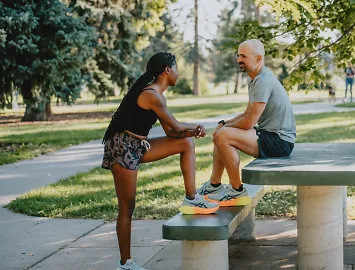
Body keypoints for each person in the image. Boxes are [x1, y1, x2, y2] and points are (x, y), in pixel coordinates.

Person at [101, 52, 219, 270]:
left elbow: (172, 133)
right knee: (127, 206)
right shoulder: (152, 95)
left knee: (186, 144)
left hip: (138, 145)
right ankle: (125, 264)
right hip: (122, 147)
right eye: (176, 68)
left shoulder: (157, 95)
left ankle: (192, 199)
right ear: (166, 70)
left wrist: (192, 133)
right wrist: (196, 127)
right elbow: (175, 126)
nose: (178, 73)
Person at [196, 39, 296, 206]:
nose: (238, 60)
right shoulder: (255, 78)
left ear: (258, 59)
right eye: (238, 55)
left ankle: (237, 191)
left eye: (243, 56)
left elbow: (249, 122)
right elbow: (247, 113)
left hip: (280, 141)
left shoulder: (263, 81)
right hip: (268, 134)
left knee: (223, 136)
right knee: (221, 134)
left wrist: (225, 128)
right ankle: (214, 185)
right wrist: (224, 123)